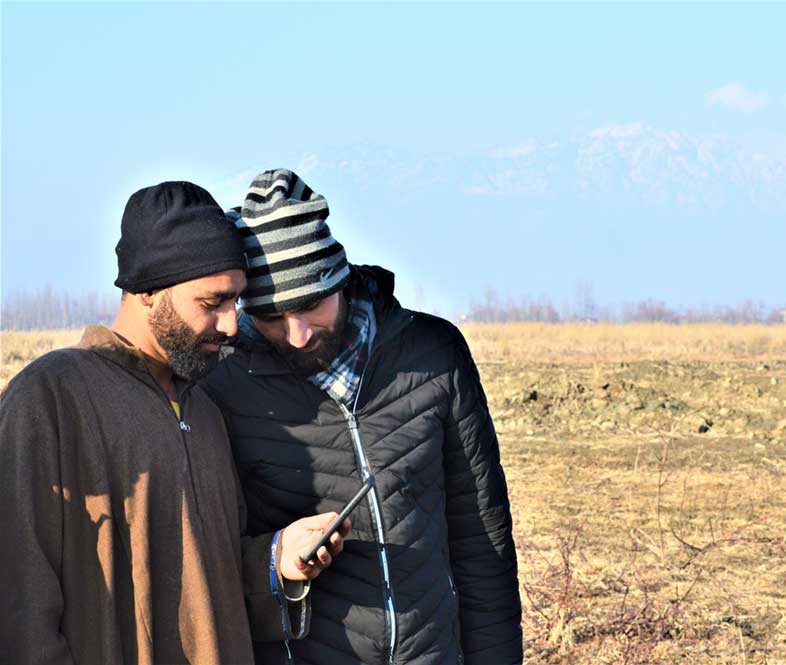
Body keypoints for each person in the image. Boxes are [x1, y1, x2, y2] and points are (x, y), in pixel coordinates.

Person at [0, 181, 351, 664]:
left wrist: (277, 560)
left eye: (236, 303)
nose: (231, 324)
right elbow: (19, 599)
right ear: (147, 290)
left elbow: (206, 578)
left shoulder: (205, 406)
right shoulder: (51, 397)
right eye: (213, 304)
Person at [202, 169, 523, 665]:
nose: (298, 334)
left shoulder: (434, 354)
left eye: (310, 305)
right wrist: (278, 557)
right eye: (270, 318)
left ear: (342, 280)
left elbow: (482, 538)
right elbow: (207, 560)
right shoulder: (222, 386)